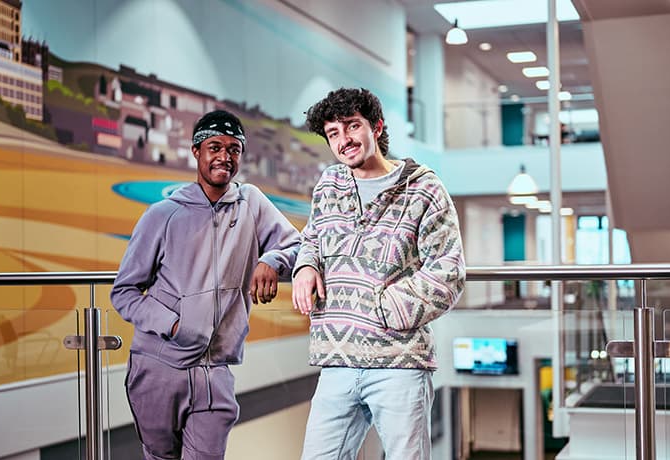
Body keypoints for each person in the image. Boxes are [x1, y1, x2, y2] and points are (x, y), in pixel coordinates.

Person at [111, 109, 300, 460]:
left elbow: (295, 245)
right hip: (157, 368)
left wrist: (270, 261)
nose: (224, 157)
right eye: (215, 147)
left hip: (215, 372)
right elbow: (123, 292)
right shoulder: (162, 215)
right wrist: (174, 324)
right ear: (196, 151)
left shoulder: (252, 204)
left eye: (233, 149)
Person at [292, 88, 466, 459]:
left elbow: (448, 272)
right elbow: (313, 237)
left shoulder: (424, 188)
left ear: (377, 127)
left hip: (399, 363)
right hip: (335, 361)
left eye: (352, 126)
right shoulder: (329, 185)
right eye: (333, 133)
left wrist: (387, 309)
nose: (344, 140)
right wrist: (306, 264)